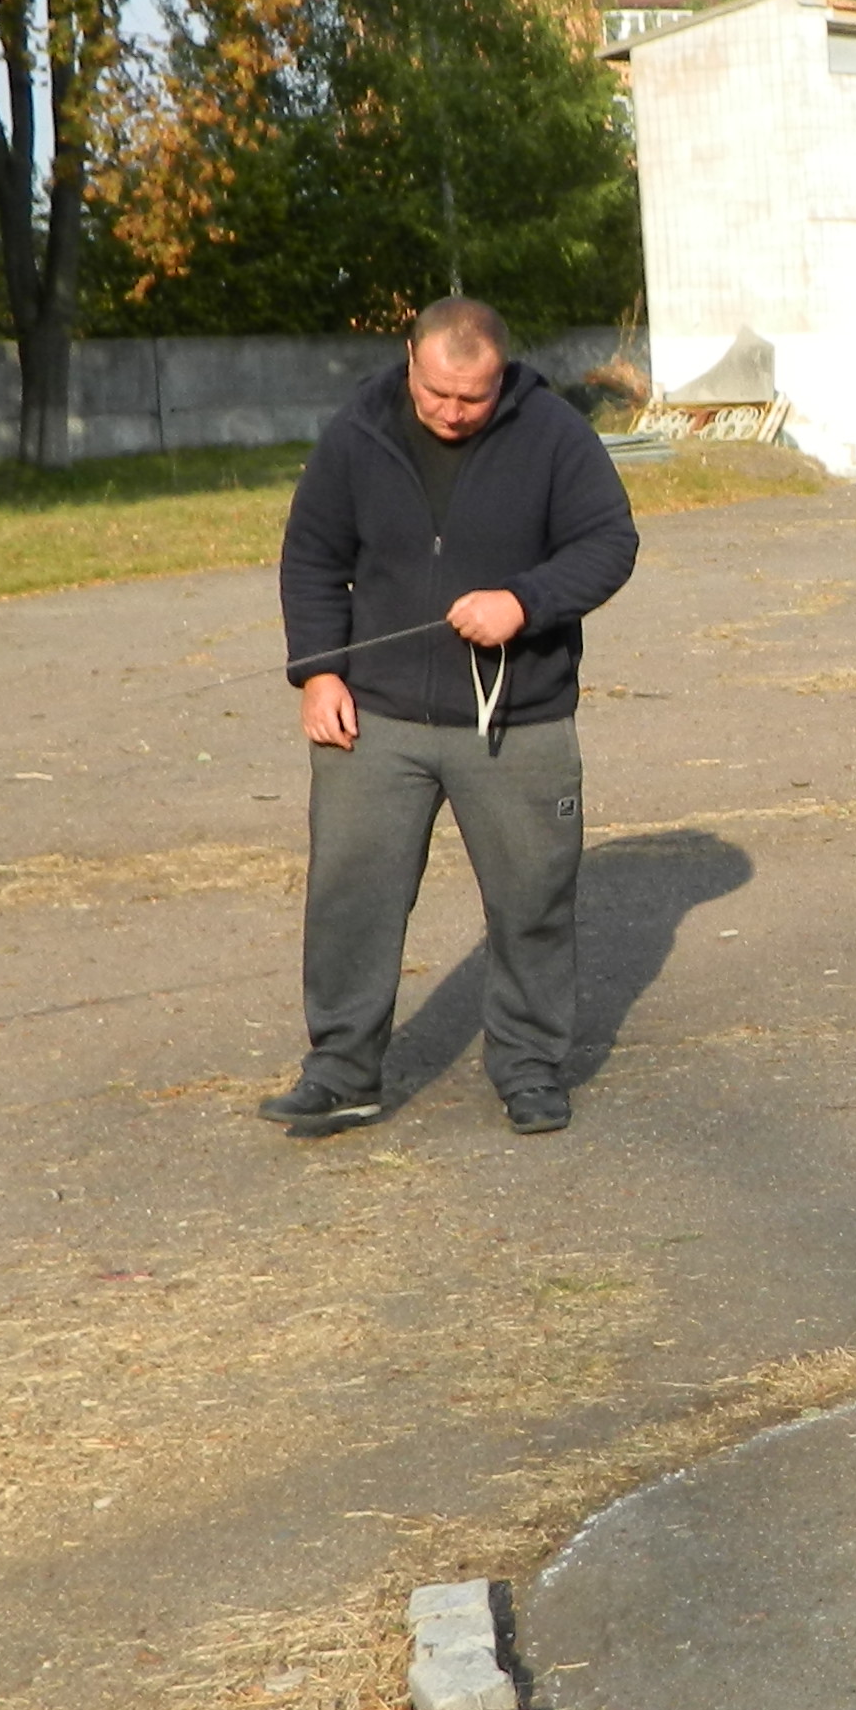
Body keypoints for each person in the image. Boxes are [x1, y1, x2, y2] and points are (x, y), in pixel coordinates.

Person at [265, 297, 642, 1139]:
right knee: (349, 899)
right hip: (377, 717)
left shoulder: (552, 434)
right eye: (437, 391)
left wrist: (524, 600)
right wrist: (318, 671)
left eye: (471, 397)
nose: (451, 411)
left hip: (518, 715)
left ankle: (531, 1067)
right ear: (410, 359)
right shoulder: (358, 431)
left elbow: (608, 543)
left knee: (530, 900)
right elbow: (313, 556)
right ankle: (341, 1073)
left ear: (500, 374)